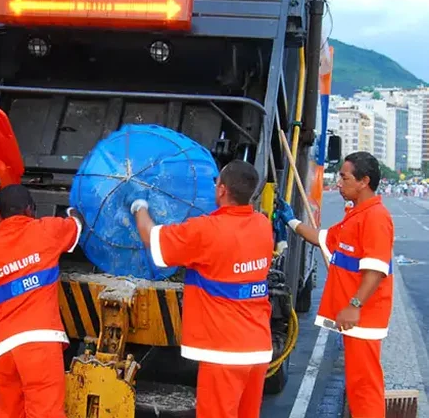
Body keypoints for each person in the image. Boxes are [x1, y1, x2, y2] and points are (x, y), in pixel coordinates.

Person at [127, 159, 274, 418]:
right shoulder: (262, 225)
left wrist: (139, 205)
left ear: (222, 190)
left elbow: (151, 237)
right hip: (257, 348)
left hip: (223, 354)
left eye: (217, 182)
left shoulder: (206, 231)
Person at [276, 151, 394, 418]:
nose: (338, 183)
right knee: (356, 387)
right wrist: (291, 220)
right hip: (356, 319)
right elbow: (323, 239)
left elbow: (376, 270)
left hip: (363, 318)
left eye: (344, 177)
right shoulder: (355, 215)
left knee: (365, 388)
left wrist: (354, 305)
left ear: (364, 181)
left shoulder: (375, 217)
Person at [0, 184, 84, 418]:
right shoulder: (46, 230)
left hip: (3, 348)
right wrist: (74, 211)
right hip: (39, 345)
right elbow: (76, 227)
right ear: (29, 210)